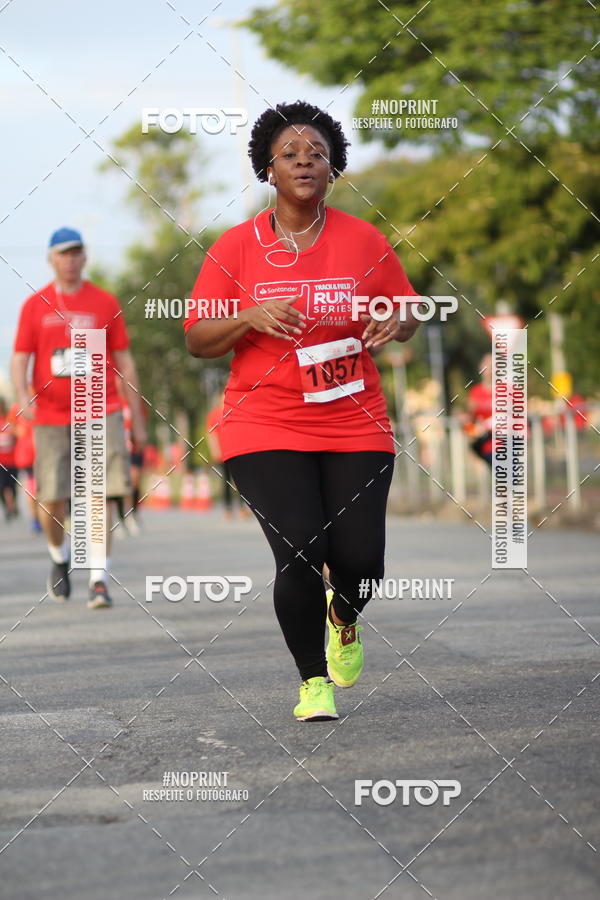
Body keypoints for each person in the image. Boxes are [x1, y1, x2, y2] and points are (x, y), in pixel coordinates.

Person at [185, 101, 420, 721]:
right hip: (264, 420)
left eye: (316, 152)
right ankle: (312, 682)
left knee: (362, 561)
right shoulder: (236, 248)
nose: (304, 162)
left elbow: (407, 311)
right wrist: (246, 316)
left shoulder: (362, 239)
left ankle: (344, 615)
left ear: (334, 165)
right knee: (297, 547)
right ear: (269, 169)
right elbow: (197, 338)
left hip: (353, 416)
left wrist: (397, 320)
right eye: (290, 154)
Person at [11, 227, 146, 608]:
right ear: (51, 259)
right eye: (62, 254)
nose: (70, 260)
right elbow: (21, 358)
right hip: (51, 414)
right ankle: (59, 556)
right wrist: (23, 397)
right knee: (52, 496)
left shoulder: (104, 302)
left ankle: (99, 578)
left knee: (98, 494)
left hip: (99, 409)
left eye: (76, 253)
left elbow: (124, 359)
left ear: (84, 258)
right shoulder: (34, 306)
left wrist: (135, 410)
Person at [467, 354, 493, 467]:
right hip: (484, 444)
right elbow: (469, 422)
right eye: (486, 364)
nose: (489, 368)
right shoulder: (475, 392)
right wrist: (474, 432)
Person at [0, 398, 18, 520]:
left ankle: (13, 505)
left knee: (12, 485)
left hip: (12, 460)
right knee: (2, 486)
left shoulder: (9, 419)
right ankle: (8, 507)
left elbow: (18, 435)